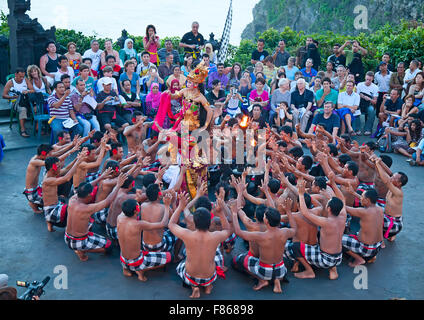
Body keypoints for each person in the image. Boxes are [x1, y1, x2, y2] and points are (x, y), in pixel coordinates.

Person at [168, 192, 231, 298]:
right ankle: (208, 286)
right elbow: (228, 230)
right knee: (216, 253)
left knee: (182, 263)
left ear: (194, 222)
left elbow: (171, 224)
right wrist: (220, 213)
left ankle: (194, 287)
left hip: (190, 277)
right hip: (209, 277)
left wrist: (180, 207)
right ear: (210, 222)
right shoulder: (215, 236)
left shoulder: (187, 235)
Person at [232, 202, 296, 292]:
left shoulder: (261, 236)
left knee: (238, 260)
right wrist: (288, 211)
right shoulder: (285, 232)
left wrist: (234, 213)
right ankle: (276, 280)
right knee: (275, 266)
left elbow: (238, 232)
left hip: (265, 271)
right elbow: (294, 229)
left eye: (265, 216)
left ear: (266, 221)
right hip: (281, 270)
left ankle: (262, 281)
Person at [289, 180, 346, 279]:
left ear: (328, 209)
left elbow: (305, 213)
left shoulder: (326, 222)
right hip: (338, 258)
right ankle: (333, 270)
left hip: (325, 259)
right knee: (323, 235)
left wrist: (302, 195)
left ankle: (309, 271)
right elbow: (343, 201)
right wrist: (332, 186)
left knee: (295, 246)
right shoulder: (343, 216)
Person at [65, 173, 126, 261]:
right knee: (109, 246)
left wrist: (101, 177)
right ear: (89, 195)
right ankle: (82, 251)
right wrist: (118, 185)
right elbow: (107, 201)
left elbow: (87, 186)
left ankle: (80, 247)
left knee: (89, 221)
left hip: (67, 237)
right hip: (79, 241)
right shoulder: (87, 208)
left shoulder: (72, 200)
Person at [118, 196, 173, 281]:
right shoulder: (138, 225)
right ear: (136, 211)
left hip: (123, 259)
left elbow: (127, 206)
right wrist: (166, 206)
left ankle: (125, 269)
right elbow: (163, 223)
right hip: (137, 261)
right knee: (169, 257)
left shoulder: (119, 218)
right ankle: (140, 270)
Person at [370, 155, 408, 243]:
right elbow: (387, 173)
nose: (391, 178)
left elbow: (386, 180)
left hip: (394, 223)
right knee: (370, 205)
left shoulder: (398, 192)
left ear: (399, 183)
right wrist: (378, 161)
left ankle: (381, 240)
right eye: (393, 176)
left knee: (372, 216)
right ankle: (390, 234)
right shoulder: (394, 184)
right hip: (388, 217)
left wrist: (377, 163)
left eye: (394, 178)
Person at [42, 154, 83, 232]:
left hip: (55, 204)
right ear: (52, 168)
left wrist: (77, 158)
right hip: (51, 211)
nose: (60, 167)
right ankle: (71, 231)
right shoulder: (47, 180)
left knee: (62, 199)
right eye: (58, 166)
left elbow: (67, 168)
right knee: (74, 209)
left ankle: (49, 222)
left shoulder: (51, 173)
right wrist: (78, 161)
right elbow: (67, 178)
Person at [343, 188, 383, 266]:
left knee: (338, 239)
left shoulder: (364, 212)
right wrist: (354, 193)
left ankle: (359, 259)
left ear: (367, 200)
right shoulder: (380, 209)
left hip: (366, 249)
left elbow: (345, 208)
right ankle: (371, 257)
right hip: (377, 248)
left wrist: (339, 198)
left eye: (362, 197)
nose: (360, 198)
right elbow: (365, 200)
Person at [2, 68, 33, 137]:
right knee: (23, 109)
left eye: (23, 76)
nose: (22, 78)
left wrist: (27, 91)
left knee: (36, 107)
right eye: (20, 76)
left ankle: (37, 127)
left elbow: (32, 90)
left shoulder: (25, 80)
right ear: (15, 74)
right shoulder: (10, 82)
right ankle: (22, 130)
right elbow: (4, 95)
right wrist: (12, 97)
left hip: (26, 100)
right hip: (15, 102)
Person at [356, 71, 379, 135]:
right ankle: (357, 129)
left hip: (368, 104)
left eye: (370, 80)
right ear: (365, 78)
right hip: (360, 103)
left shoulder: (375, 87)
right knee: (356, 109)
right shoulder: (360, 85)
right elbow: (356, 97)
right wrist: (361, 96)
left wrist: (368, 99)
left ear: (372, 79)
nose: (368, 81)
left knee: (371, 110)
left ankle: (368, 129)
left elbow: (375, 102)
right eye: (367, 79)